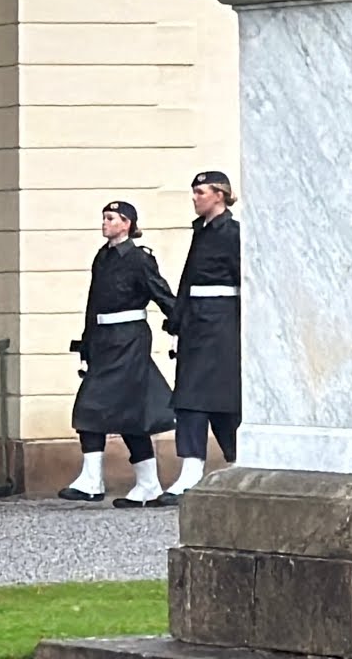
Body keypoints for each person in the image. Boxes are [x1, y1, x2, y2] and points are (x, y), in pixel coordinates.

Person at [60, 200, 178, 509]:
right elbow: (94, 303)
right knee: (119, 412)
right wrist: (87, 343)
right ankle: (134, 483)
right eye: (104, 217)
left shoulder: (139, 259)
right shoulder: (103, 257)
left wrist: (183, 325)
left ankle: (102, 481)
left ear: (127, 224)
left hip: (129, 340)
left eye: (111, 218)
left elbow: (161, 293)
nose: (105, 223)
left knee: (101, 408)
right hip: (104, 340)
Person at [158, 171, 241, 506]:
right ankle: (192, 470)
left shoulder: (232, 233)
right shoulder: (202, 232)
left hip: (221, 326)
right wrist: (178, 323)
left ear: (219, 194)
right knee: (190, 399)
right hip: (196, 325)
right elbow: (188, 281)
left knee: (220, 401)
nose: (195, 198)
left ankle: (240, 462)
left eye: (201, 192)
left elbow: (245, 281)